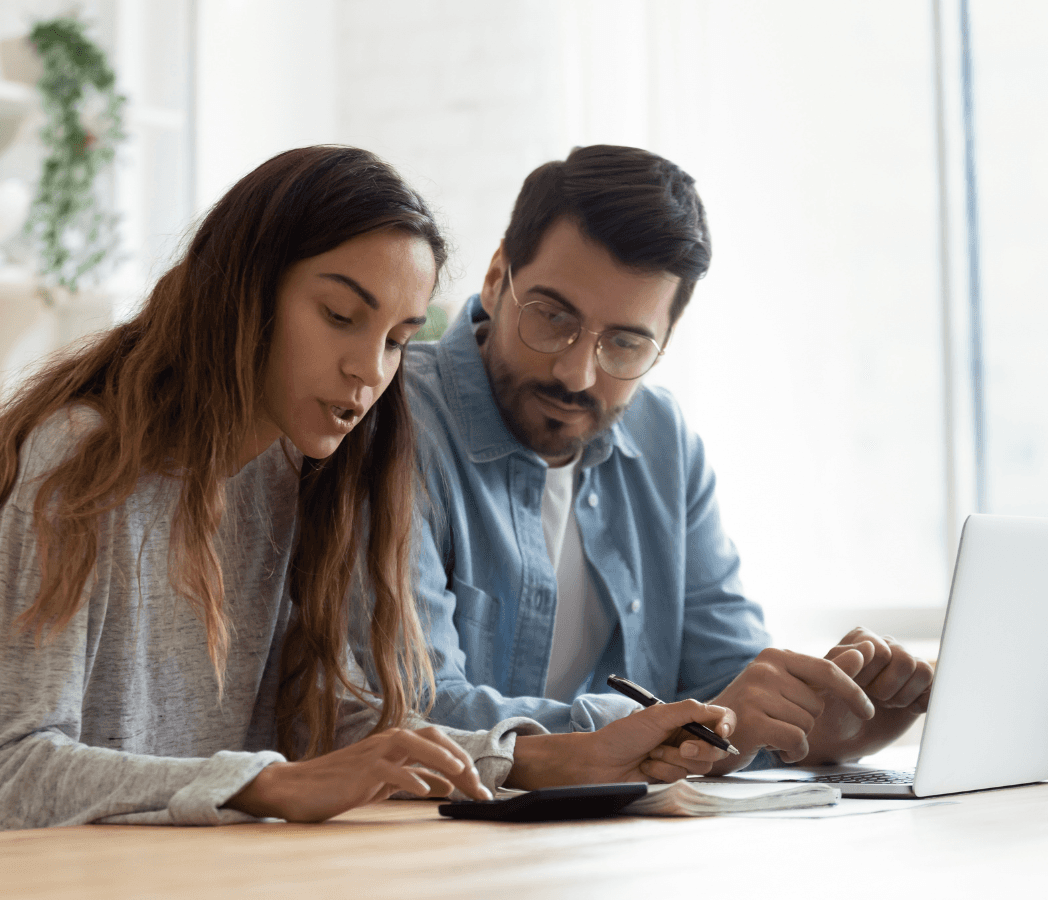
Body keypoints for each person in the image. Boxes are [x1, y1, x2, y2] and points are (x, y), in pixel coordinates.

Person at [0, 145, 738, 838]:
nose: (368, 372)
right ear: (246, 291)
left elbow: (337, 730)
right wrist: (268, 787)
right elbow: (3, 773)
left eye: (399, 340)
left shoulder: (302, 480)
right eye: (340, 316)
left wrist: (560, 756)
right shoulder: (79, 461)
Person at [396, 145, 933, 775]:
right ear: (496, 276)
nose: (576, 371)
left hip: (623, 845)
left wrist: (831, 717)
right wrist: (672, 729)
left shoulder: (663, 440)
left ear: (666, 340)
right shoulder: (395, 419)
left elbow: (729, 684)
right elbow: (414, 711)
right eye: (552, 316)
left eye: (625, 343)